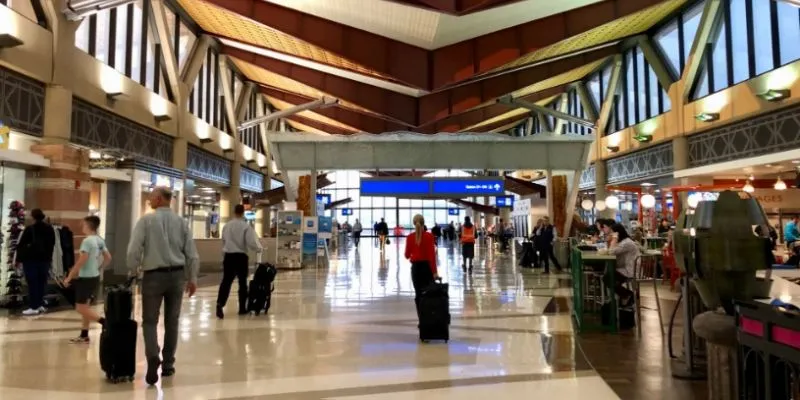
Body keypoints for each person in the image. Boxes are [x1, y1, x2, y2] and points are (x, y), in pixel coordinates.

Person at [127, 187, 199, 385]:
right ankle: (168, 364)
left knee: (150, 320)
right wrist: (192, 278)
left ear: (158, 199)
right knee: (172, 321)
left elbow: (134, 249)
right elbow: (192, 253)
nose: (149, 201)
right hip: (177, 276)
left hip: (153, 276)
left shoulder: (146, 221)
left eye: (151, 198)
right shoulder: (182, 223)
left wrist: (132, 270)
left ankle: (152, 355)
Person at [63, 216, 111, 343]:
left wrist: (70, 276)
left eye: (83, 224)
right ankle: (84, 335)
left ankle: (106, 323)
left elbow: (81, 261)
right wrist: (99, 268)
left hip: (86, 278)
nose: (82, 226)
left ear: (88, 225)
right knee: (85, 307)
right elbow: (108, 258)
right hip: (94, 277)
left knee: (80, 307)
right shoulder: (99, 240)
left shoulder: (87, 241)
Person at [216, 204, 262, 319]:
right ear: (243, 212)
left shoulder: (226, 226)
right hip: (241, 257)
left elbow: (224, 240)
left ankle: (219, 304)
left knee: (226, 281)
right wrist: (258, 249)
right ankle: (242, 308)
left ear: (234, 212)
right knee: (242, 283)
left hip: (228, 256)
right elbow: (251, 242)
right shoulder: (245, 227)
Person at [16, 208, 56, 316]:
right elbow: (52, 244)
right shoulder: (50, 229)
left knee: (32, 283)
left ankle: (33, 306)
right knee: (41, 283)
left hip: (31, 260)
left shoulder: (30, 229)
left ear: (33, 216)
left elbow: (21, 245)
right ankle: (39, 304)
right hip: (45, 260)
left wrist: (18, 260)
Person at [404, 214, 438, 319]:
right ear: (424, 223)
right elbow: (432, 257)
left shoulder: (409, 237)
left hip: (416, 269)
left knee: (418, 294)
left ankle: (421, 319)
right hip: (427, 269)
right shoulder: (429, 236)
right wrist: (435, 272)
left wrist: (413, 254)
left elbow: (406, 255)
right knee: (429, 294)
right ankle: (429, 318)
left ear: (414, 223)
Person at [607, 223, 638, 306]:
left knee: (608, 277)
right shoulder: (624, 242)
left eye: (612, 233)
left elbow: (611, 252)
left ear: (617, 233)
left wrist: (614, 238)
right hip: (626, 268)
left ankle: (627, 295)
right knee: (609, 276)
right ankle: (625, 295)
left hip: (630, 270)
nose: (611, 234)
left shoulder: (626, 243)